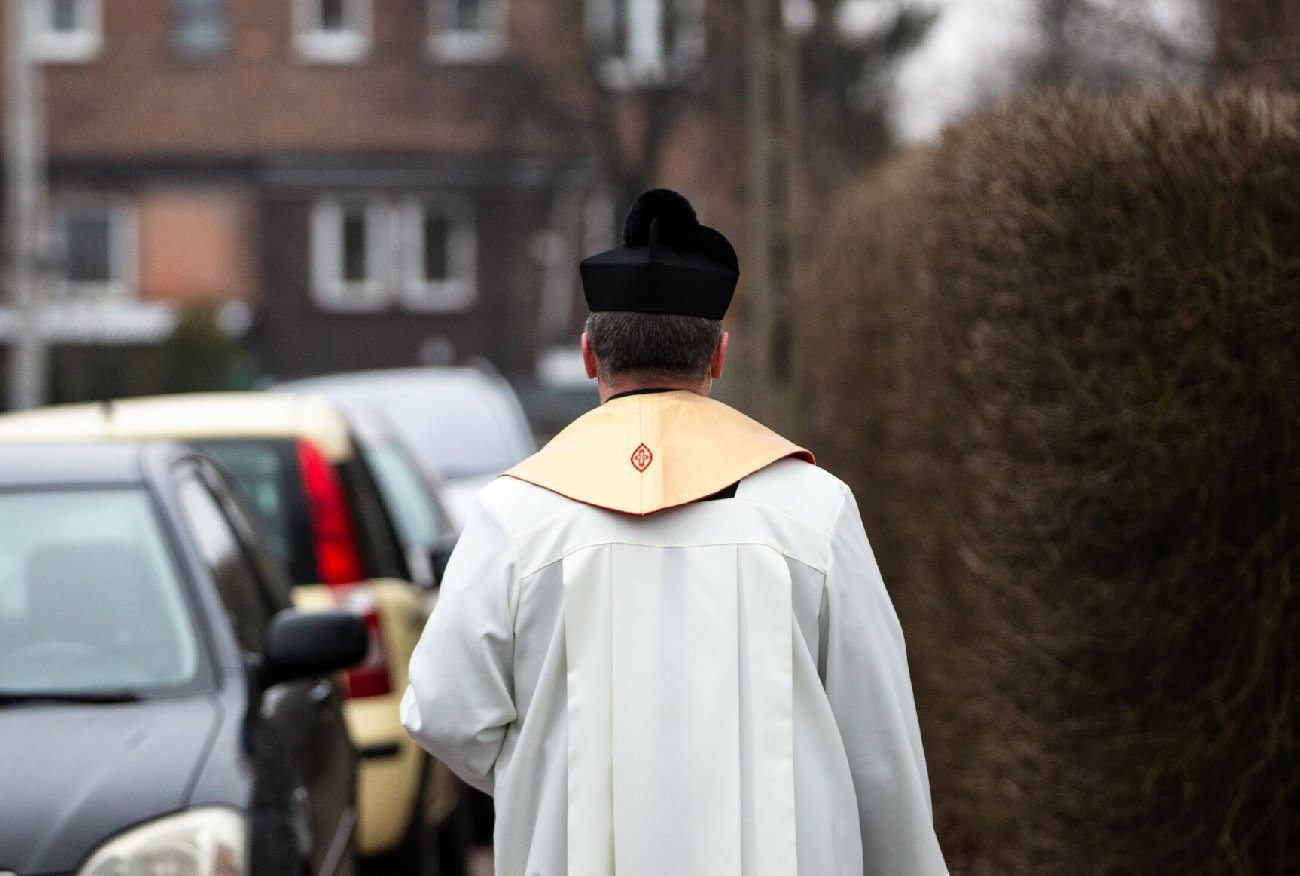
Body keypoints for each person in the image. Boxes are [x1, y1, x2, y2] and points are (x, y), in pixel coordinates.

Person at [401, 189, 948, 875]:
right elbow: (881, 750)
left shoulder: (515, 516)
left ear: (588, 355)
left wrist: (545, 770)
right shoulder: (815, 513)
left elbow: (444, 711)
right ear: (718, 356)